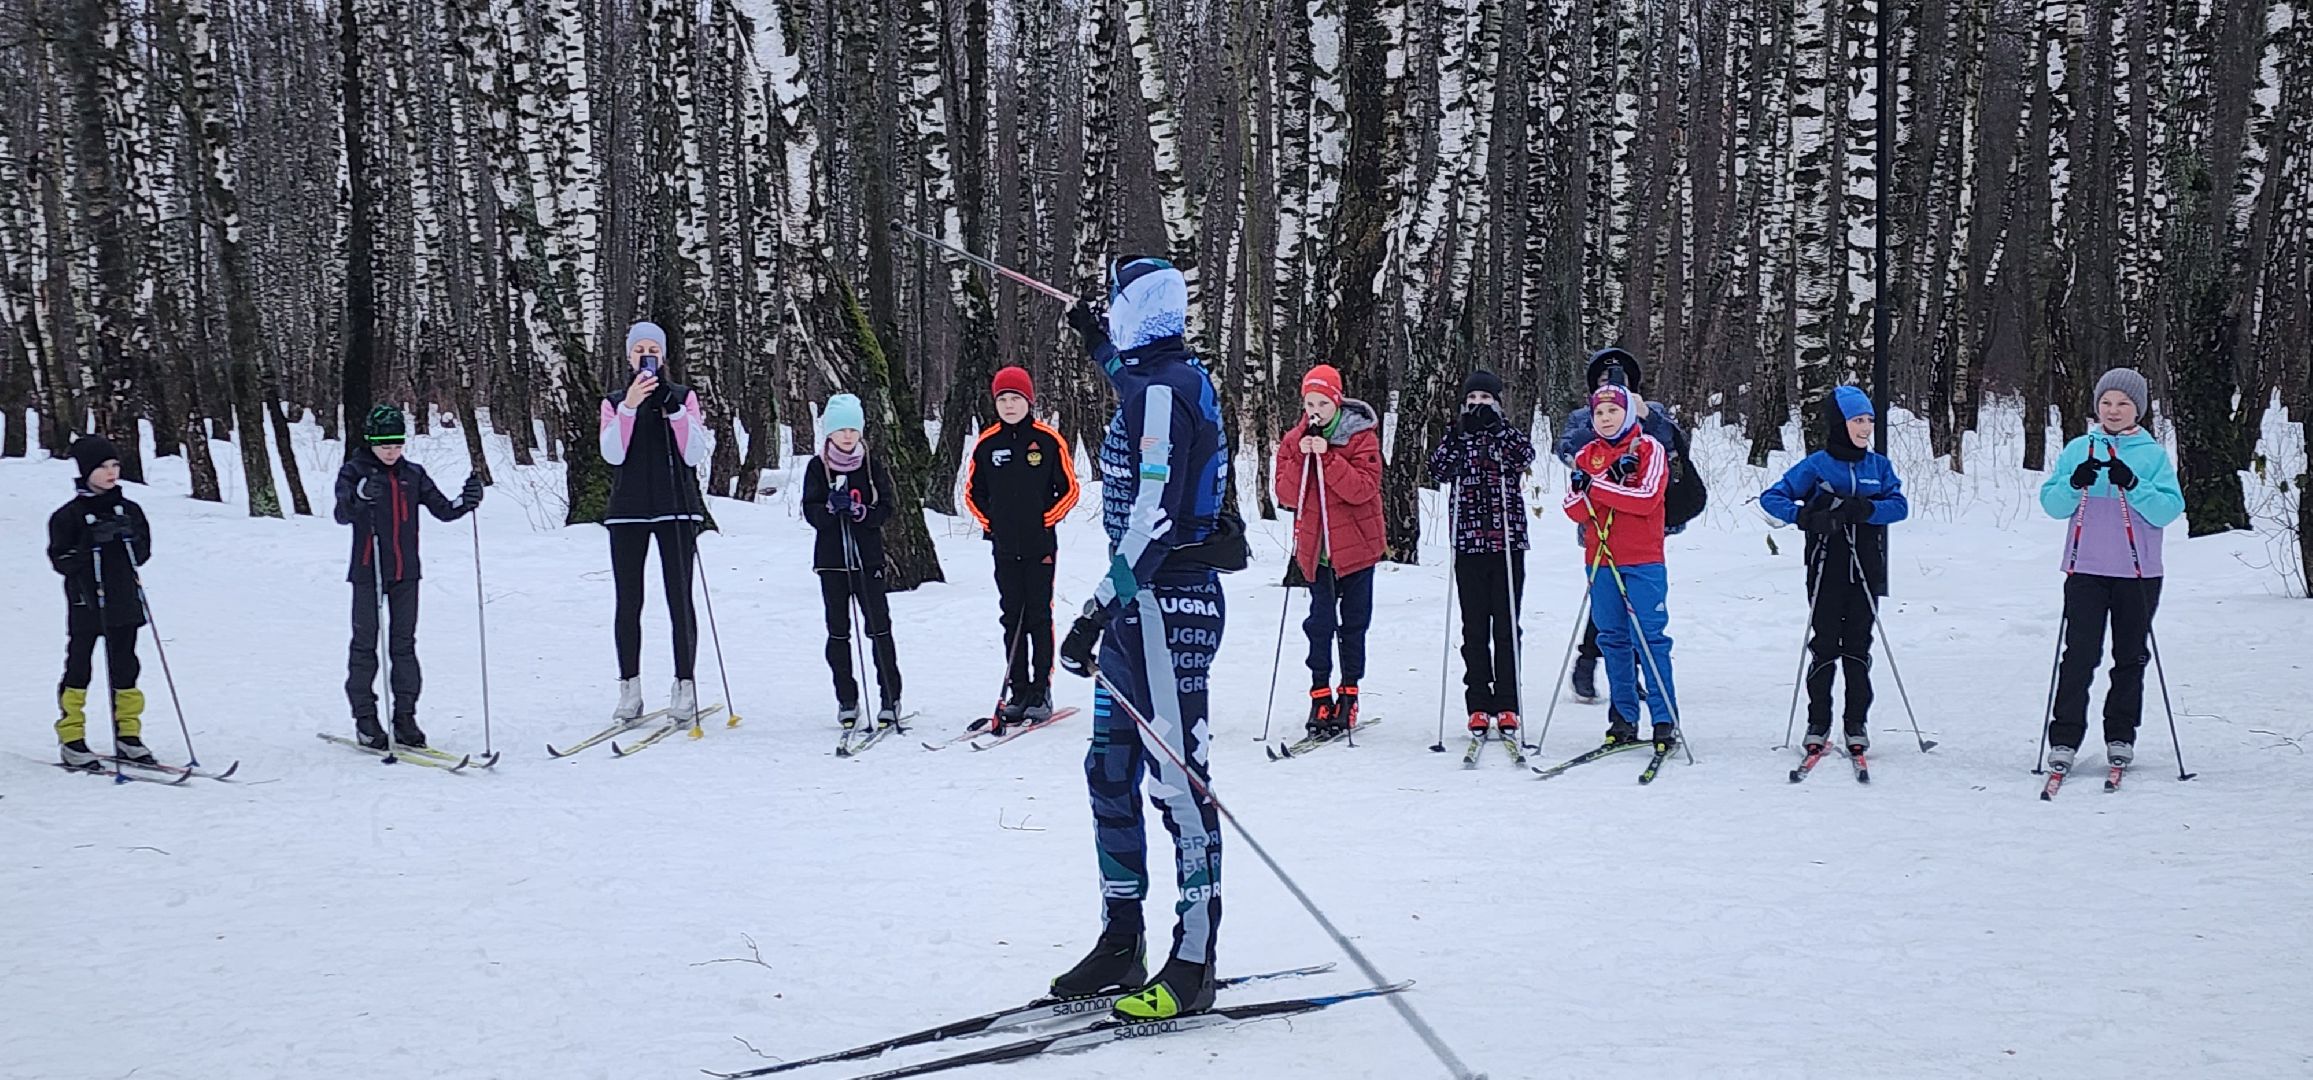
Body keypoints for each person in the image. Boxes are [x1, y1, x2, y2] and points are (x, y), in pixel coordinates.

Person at [1052, 255, 1244, 1021]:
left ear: (1139, 307)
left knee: (1177, 784)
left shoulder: (1164, 390)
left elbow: (1154, 519)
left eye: (1113, 301)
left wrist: (1093, 611)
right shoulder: (1155, 376)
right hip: (1136, 610)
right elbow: (1131, 380)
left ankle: (1193, 960)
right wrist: (1092, 339)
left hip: (1166, 604)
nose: (1109, 309)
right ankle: (1120, 939)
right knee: (1109, 768)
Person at [2036, 367, 2184, 774]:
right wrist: (2073, 483)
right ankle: (2064, 739)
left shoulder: (2152, 455)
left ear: (2138, 409)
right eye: (2106, 402)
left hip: (2137, 573)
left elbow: (2167, 510)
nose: (2113, 410)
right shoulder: (2078, 449)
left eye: (2123, 403)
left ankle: (2121, 735)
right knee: (2079, 656)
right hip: (2085, 569)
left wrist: (2135, 484)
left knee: (2130, 656)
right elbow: (2053, 505)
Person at [1759, 386, 1910, 754]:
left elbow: (1899, 506)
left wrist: (1867, 510)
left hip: (1866, 568)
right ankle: (1818, 722)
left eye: (1870, 420)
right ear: (1840, 423)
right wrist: (1805, 517)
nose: (1866, 427)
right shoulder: (1817, 465)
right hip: (1826, 564)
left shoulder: (1878, 466)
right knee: (1825, 644)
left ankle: (1856, 723)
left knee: (1858, 644)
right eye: (1858, 420)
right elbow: (1772, 498)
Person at [334, 405, 483, 750]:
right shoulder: (354, 471)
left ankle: (405, 717)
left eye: (397, 445)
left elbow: (443, 509)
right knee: (365, 644)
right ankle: (366, 719)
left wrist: (466, 500)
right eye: (384, 445)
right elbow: (342, 513)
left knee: (404, 646)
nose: (391, 452)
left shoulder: (412, 474)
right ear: (371, 442)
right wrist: (360, 496)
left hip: (406, 573)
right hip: (369, 570)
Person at [600, 320, 715, 724]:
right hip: (627, 510)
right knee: (628, 600)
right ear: (629, 356)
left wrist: (675, 411)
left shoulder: (682, 396)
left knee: (679, 597)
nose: (645, 356)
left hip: (675, 507)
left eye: (652, 350)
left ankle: (685, 684)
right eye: (639, 350)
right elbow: (612, 454)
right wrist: (630, 407)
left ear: (663, 356)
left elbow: (694, 453)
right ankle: (629, 687)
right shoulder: (615, 401)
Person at [1555, 347, 1683, 707]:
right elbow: (1569, 451)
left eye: (1619, 380)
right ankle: (1592, 665)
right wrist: (1596, 467)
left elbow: (1673, 445)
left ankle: (1645, 686)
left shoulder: (1650, 411)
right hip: (1598, 527)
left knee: (1642, 615)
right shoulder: (1585, 416)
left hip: (1642, 531)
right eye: (1603, 379)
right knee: (1607, 614)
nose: (1610, 387)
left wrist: (1646, 417)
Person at [964, 366, 1081, 733]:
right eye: (1003, 399)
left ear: (1028, 401)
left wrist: (1046, 519)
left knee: (1038, 616)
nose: (1009, 405)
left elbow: (1070, 490)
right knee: (1011, 616)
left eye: (1016, 398)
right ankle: (1018, 690)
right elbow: (973, 493)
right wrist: (992, 523)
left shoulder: (1046, 441)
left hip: (1039, 544)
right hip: (1004, 545)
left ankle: (1041, 690)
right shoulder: (988, 444)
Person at [1272, 363, 1385, 738]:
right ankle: (1319, 694)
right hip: (1316, 551)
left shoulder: (1360, 436)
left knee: (1353, 624)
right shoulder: (1295, 440)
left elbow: (1362, 489)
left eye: (1323, 403)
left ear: (1337, 402)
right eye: (1310, 404)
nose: (1315, 412)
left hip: (1356, 549)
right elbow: (1287, 495)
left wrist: (1330, 458)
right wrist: (1303, 458)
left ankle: (1349, 694)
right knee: (1319, 625)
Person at [1426, 369, 1537, 740]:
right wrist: (1459, 434)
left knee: (1506, 626)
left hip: (1507, 543)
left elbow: (1526, 455)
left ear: (1498, 404)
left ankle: (1507, 703)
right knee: (1473, 628)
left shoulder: (1506, 435)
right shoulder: (1457, 435)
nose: (1478, 406)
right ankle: (1477, 702)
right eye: (1472, 400)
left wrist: (1498, 429)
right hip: (1469, 543)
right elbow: (1438, 470)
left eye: (1485, 399)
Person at [47, 435, 155, 769]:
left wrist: (126, 537)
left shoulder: (130, 510)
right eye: (102, 467)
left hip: (124, 600)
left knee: (126, 666)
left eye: (115, 465)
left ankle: (128, 735)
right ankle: (72, 737)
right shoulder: (67, 516)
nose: (111, 473)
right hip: (87, 603)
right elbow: (61, 560)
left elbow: (142, 553)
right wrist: (88, 543)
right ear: (85, 471)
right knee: (80, 665)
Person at [802, 393, 905, 730]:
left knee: (878, 628)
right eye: (840, 430)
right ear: (829, 433)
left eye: (852, 430)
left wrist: (863, 513)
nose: (847, 436)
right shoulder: (818, 467)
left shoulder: (871, 465)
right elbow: (811, 511)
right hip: (832, 562)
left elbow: (887, 507)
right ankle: (847, 699)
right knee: (838, 632)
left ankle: (890, 697)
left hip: (867, 560)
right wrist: (830, 509)